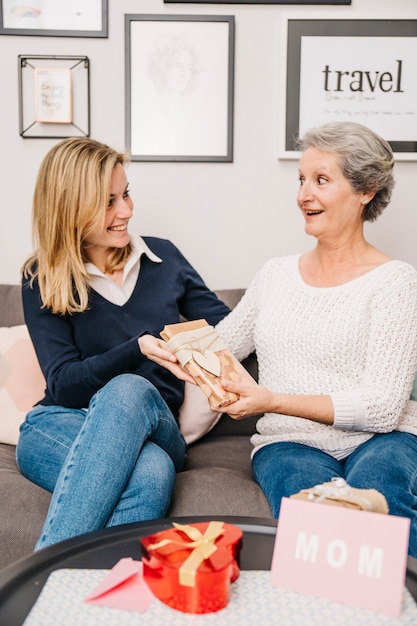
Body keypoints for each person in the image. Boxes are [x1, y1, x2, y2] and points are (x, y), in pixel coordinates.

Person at [143, 121, 417, 556]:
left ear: (366, 189)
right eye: (302, 179)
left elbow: (383, 409)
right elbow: (222, 347)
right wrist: (169, 350)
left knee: (384, 502)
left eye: (321, 180)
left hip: (384, 439)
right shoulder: (275, 275)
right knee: (314, 519)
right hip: (288, 442)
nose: (303, 194)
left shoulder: (394, 282)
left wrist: (270, 400)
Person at [17, 137, 230, 550]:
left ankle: (46, 583)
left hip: (157, 427)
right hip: (58, 423)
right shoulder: (42, 276)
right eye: (109, 201)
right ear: (71, 207)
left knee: (131, 387)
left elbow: (229, 326)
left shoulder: (164, 259)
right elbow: (62, 384)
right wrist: (137, 348)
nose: (127, 210)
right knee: (150, 474)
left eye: (126, 194)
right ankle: (99, 604)